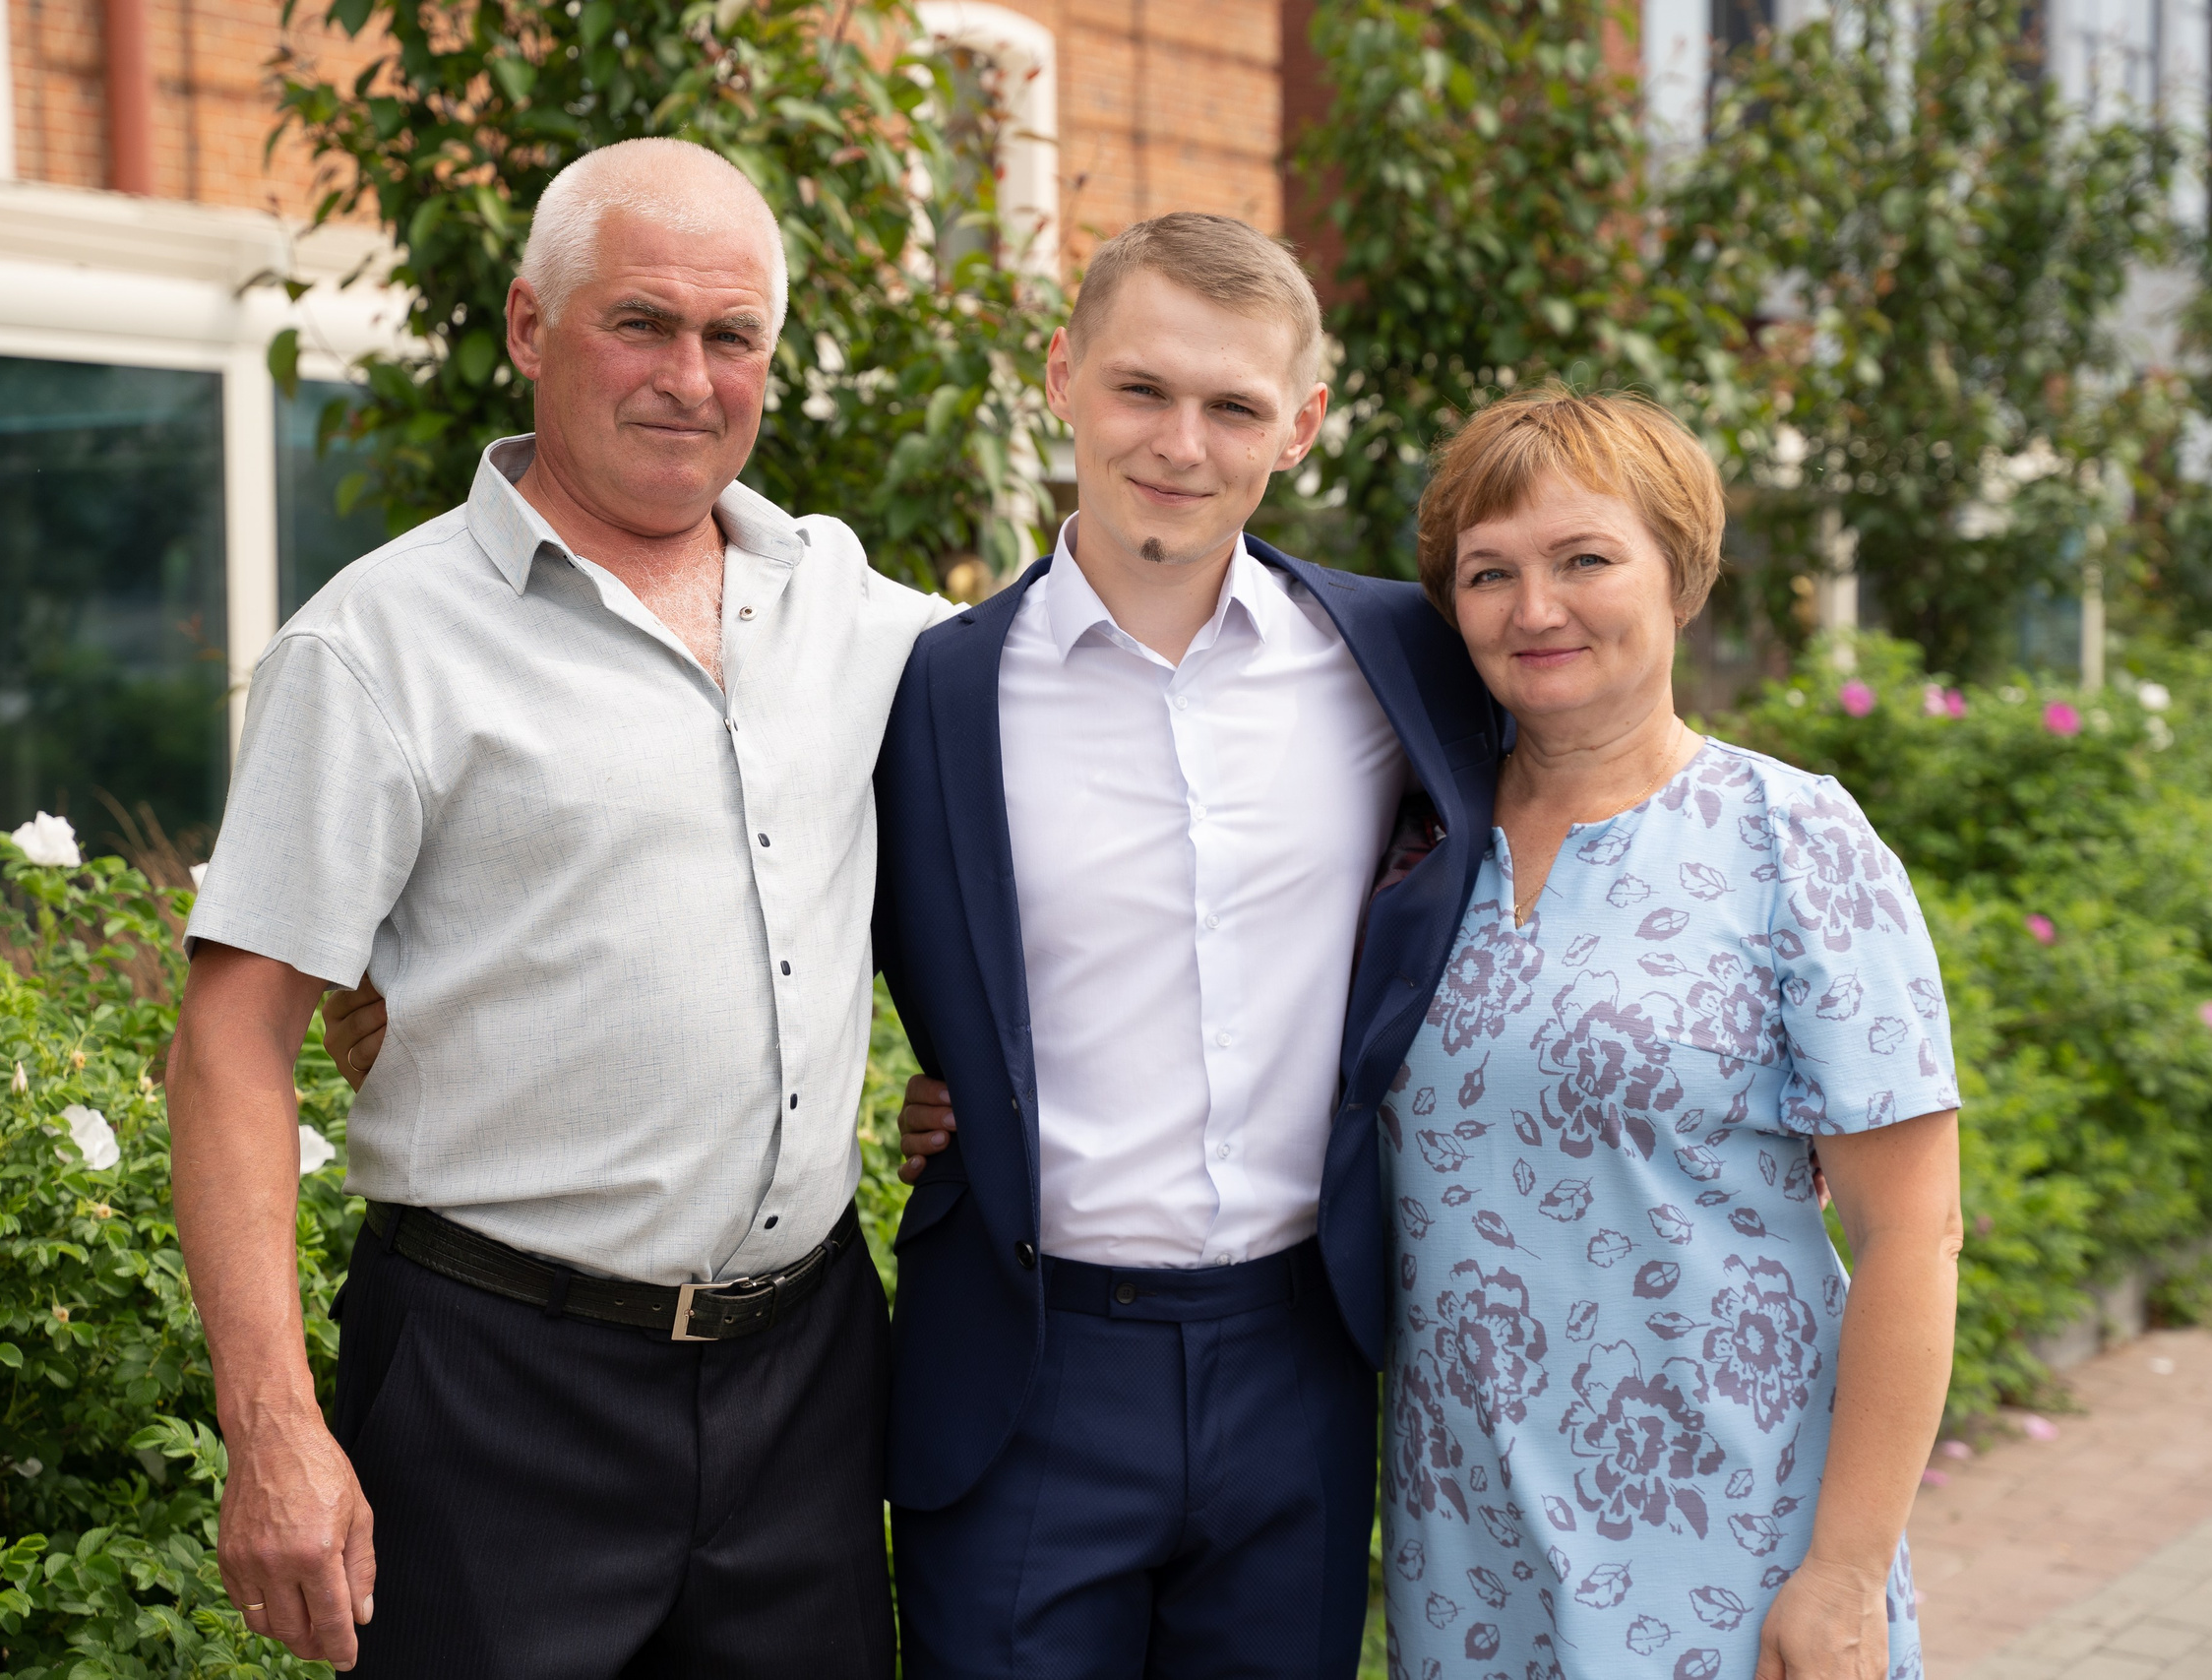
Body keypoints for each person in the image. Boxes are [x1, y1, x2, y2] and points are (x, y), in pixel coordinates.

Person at [168, 138, 955, 1678]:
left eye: (733, 337)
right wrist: (273, 1429)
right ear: (532, 327)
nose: (690, 375)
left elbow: (1092, 729)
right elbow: (233, 1046)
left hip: (804, 1379)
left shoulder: (852, 611)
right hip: (492, 1385)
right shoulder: (377, 646)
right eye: (641, 323)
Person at [870, 212, 1500, 1680]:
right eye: (1142, 389)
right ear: (1063, 377)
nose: (1180, 442)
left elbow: (1575, 825)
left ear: (1303, 427)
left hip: (1302, 1352)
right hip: (1029, 1365)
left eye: (1233, 407)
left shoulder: (1399, 659)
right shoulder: (927, 691)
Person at [1377, 386, 1962, 1680]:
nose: (1536, 609)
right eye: (1490, 573)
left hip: (1731, 1541)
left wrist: (1847, 1575)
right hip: (1467, 1549)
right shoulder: (1414, 853)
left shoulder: (1791, 840)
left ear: (1680, 575)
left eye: (1585, 558)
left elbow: (1915, 1232)